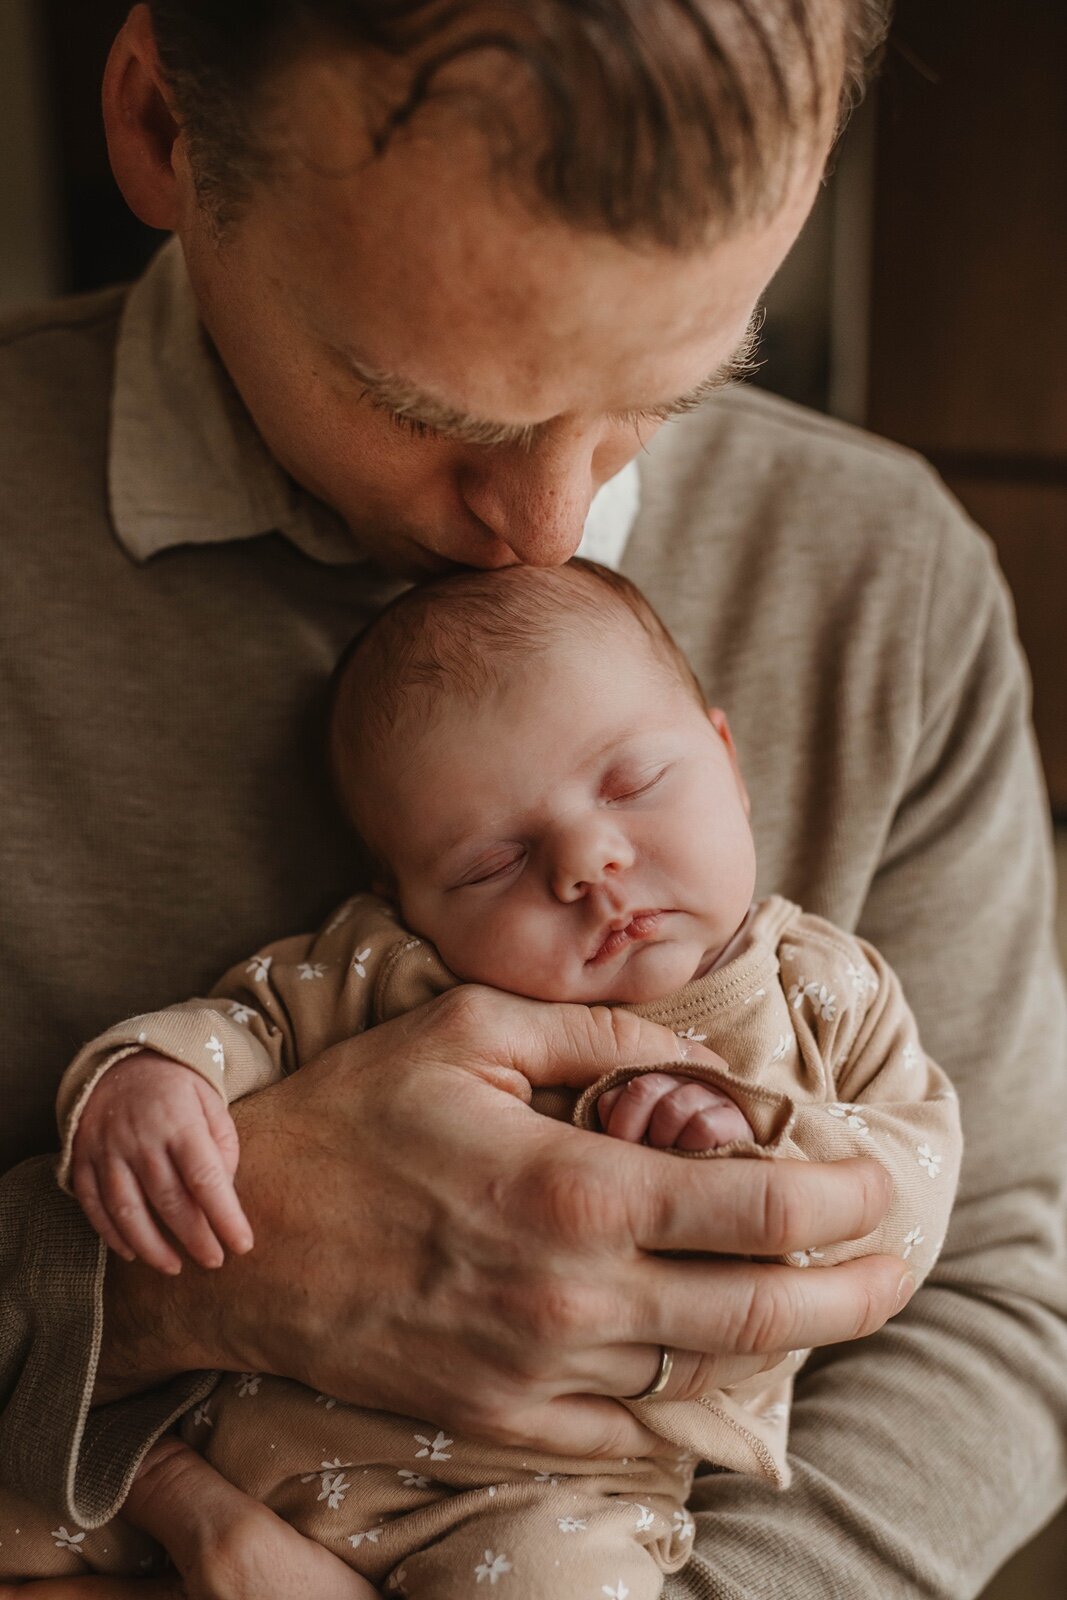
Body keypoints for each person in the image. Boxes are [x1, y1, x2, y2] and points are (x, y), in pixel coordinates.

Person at [0, 4, 1063, 1598]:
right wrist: (172, 1290)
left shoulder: (885, 587)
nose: (550, 528)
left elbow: (1001, 1299)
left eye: (676, 382)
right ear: (162, 128)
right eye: (432, 409)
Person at [5, 560, 961, 1597]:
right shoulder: (388, 970)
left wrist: (756, 1146)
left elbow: (908, 1187)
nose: (586, 861)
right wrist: (152, 1076)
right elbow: (248, 1020)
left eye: (634, 783)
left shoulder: (822, 991)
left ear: (727, 760)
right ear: (407, 897)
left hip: (542, 1498)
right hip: (234, 1431)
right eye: (489, 865)